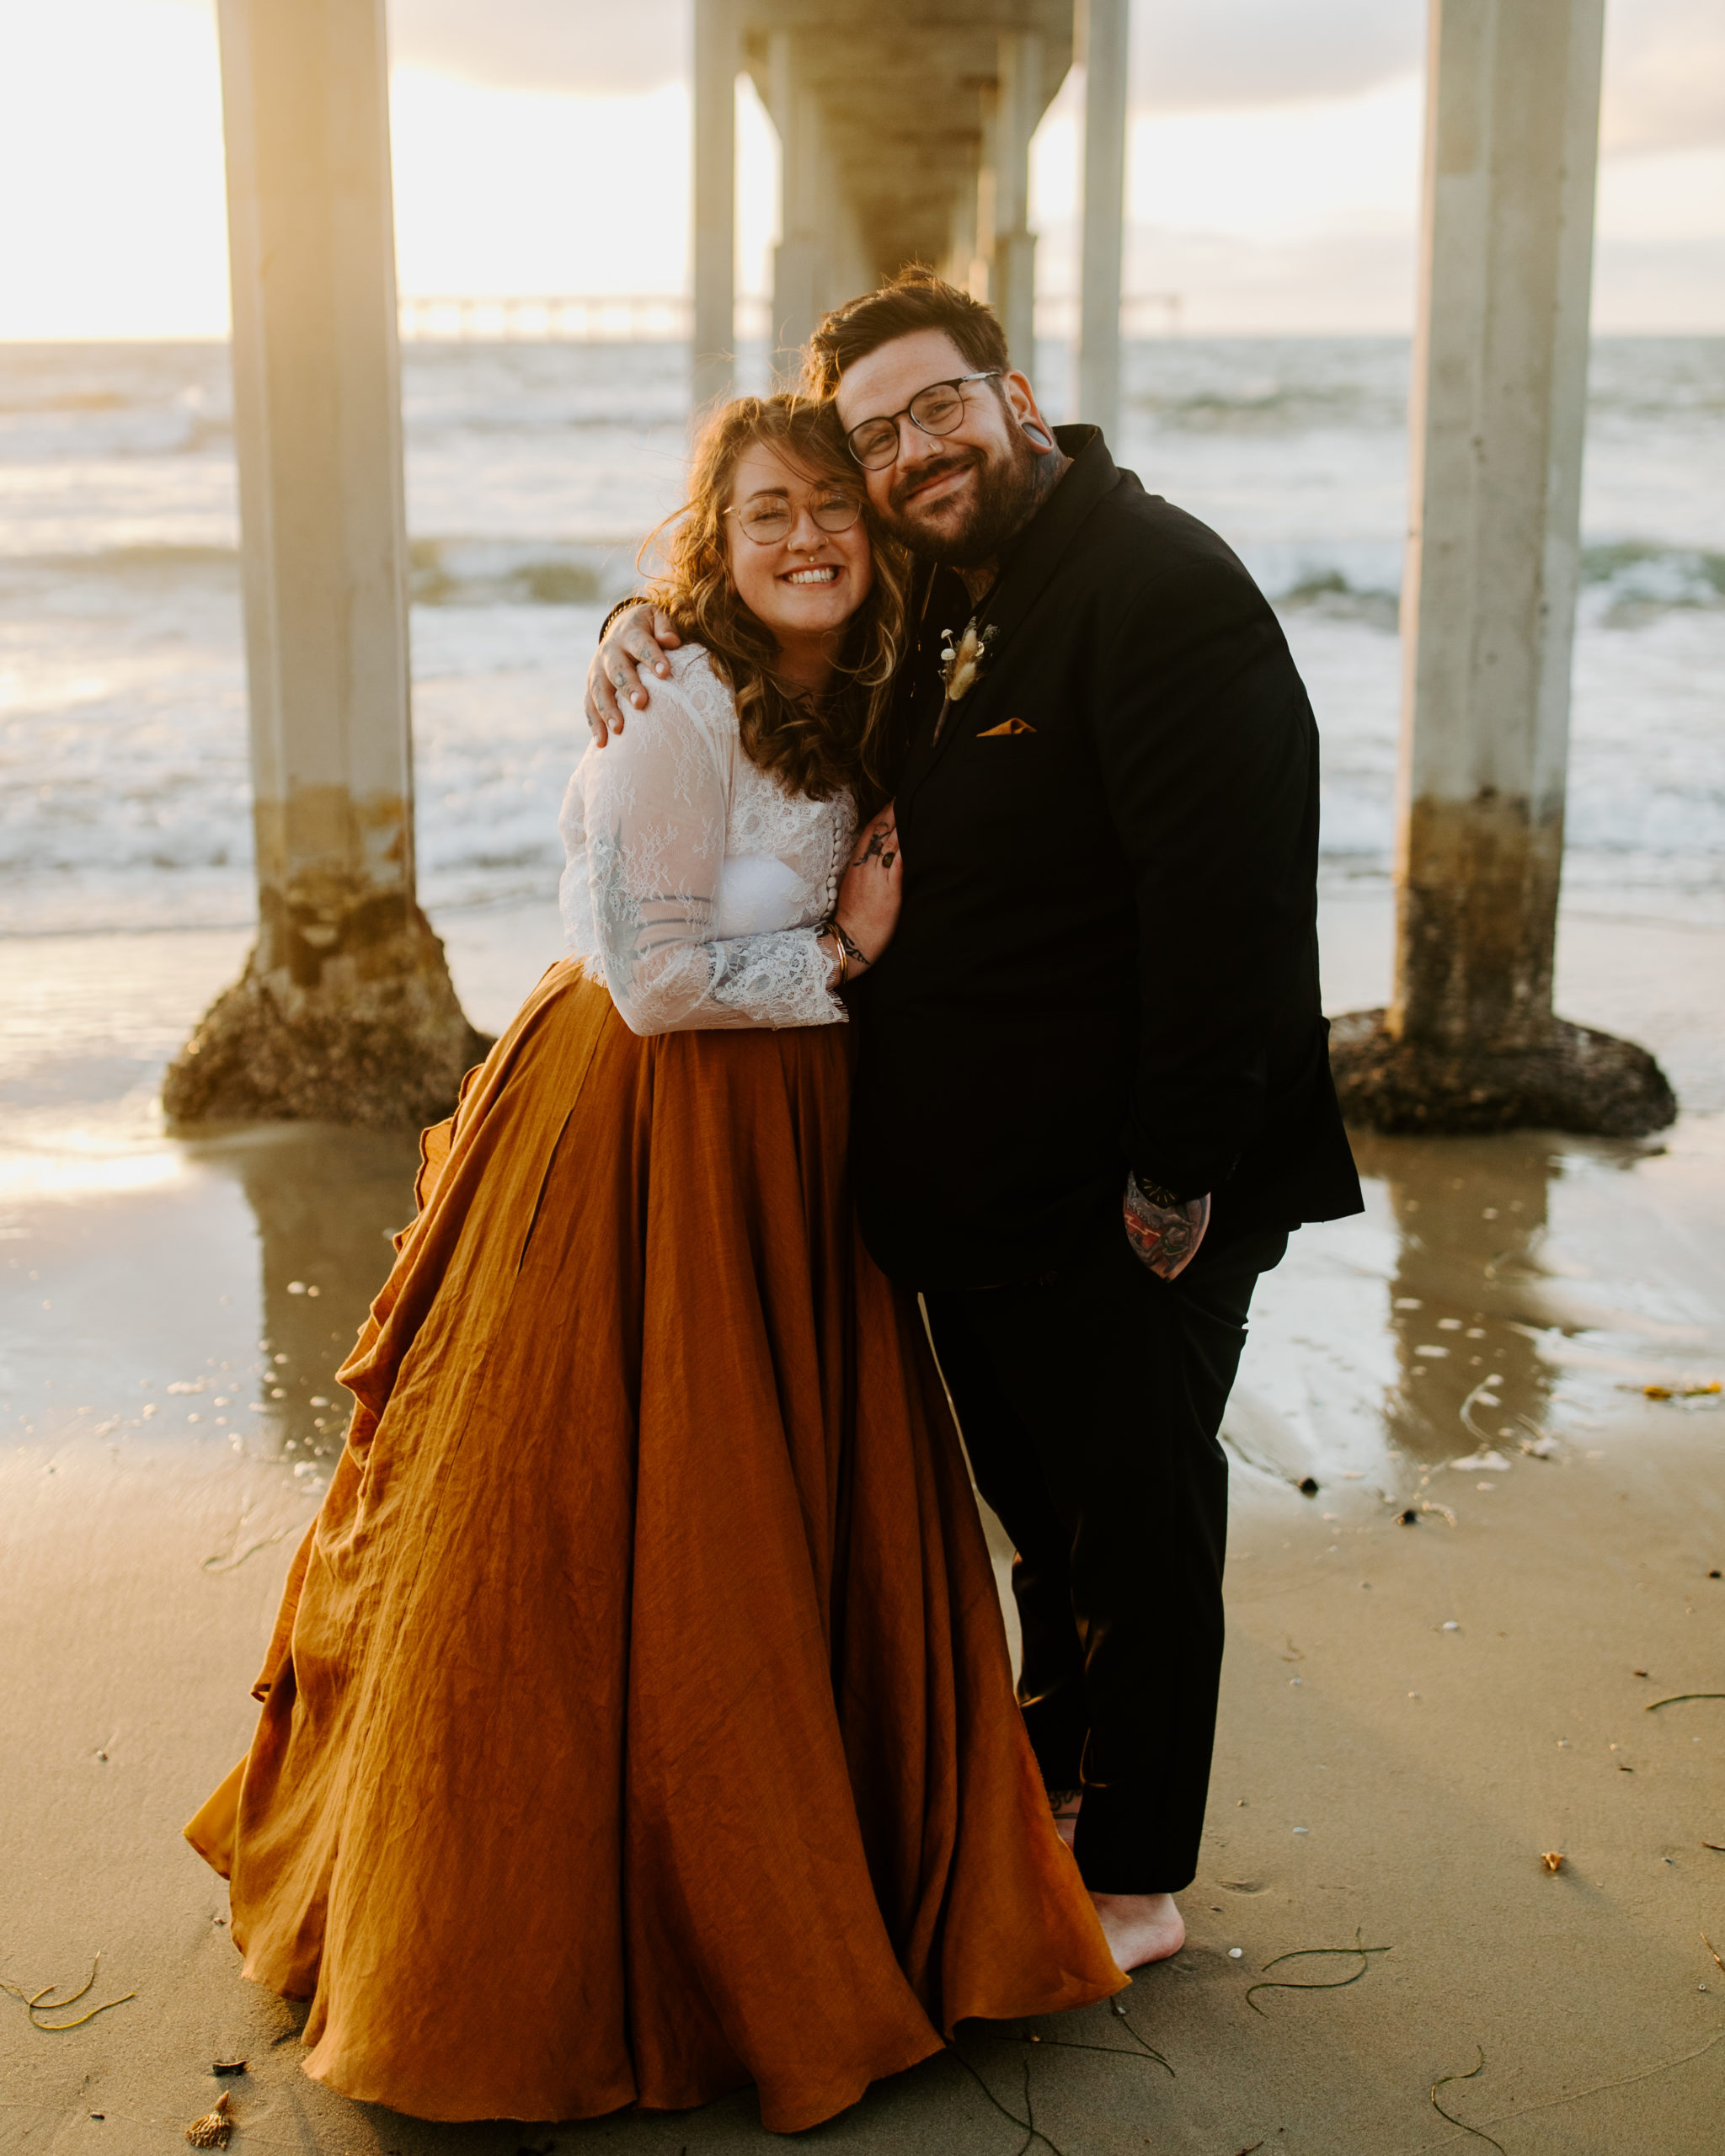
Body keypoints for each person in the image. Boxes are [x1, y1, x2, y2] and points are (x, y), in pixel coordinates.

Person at [184, 392, 1123, 2136]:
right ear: (713, 536)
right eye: (765, 512)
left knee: (790, 1509)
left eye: (831, 507)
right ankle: (566, 1936)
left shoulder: (871, 676)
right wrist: (842, 953)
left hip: (788, 1152)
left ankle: (835, 1880)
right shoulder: (675, 703)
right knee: (599, 1512)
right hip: (645, 1126)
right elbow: (650, 976)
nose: (805, 539)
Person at [589, 271, 1364, 1977]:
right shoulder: (954, 573)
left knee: (1139, 1514)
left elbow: (1231, 910)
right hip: (996, 1192)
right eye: (876, 438)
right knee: (1047, 1505)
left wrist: (1174, 1181)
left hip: (1131, 1183)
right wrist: (629, 624)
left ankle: (1135, 1873)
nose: (912, 455)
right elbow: (775, 615)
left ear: (1013, 394)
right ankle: (1060, 1785)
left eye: (936, 408)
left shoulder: (1159, 587)